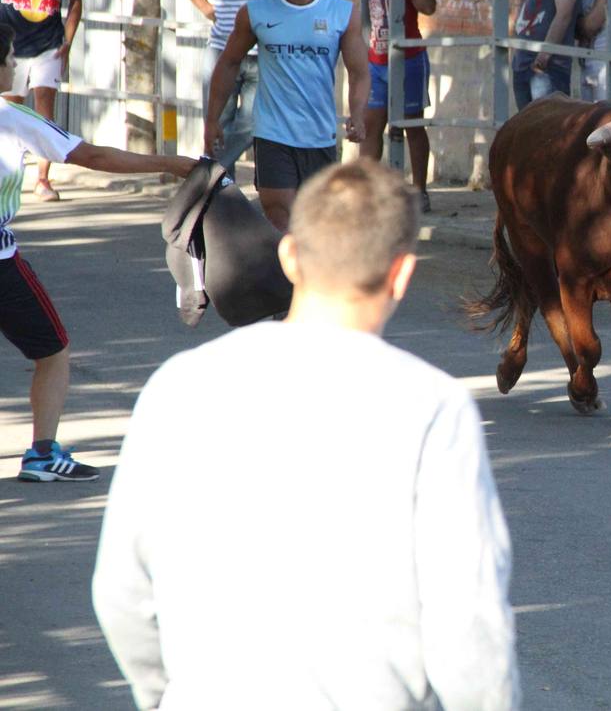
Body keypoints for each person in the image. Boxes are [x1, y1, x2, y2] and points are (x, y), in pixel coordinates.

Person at [92, 159, 517, 708]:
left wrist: (167, 696)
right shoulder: (432, 405)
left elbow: (120, 591)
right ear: (401, 274)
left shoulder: (178, 385)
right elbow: (469, 625)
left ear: (290, 255)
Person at [0, 22, 196, 482]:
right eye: (7, 58)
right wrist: (170, 163)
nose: (13, 65)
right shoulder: (11, 118)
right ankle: (43, 454)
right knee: (53, 349)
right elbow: (96, 158)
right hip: (2, 263)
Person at [205, 0, 369, 231]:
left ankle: (308, 277)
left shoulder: (342, 13)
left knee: (318, 225)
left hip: (320, 136)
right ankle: (287, 278)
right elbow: (228, 63)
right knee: (282, 219)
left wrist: (357, 113)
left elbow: (359, 71)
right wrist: (212, 119)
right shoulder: (255, 12)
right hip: (273, 135)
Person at [325, 0, 438, 212]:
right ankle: (367, 192)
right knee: (372, 126)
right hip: (375, 63)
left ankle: (419, 191)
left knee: (412, 125)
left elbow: (428, 6)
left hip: (408, 60)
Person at [172, 0, 280, 179]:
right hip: (222, 51)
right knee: (219, 121)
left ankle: (210, 172)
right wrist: (205, 6)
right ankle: (219, 189)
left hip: (262, 56)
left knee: (254, 122)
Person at [0, 0, 85, 202]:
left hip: (49, 45)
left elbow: (76, 1)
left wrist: (68, 39)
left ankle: (43, 179)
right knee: (11, 110)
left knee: (44, 110)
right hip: (12, 47)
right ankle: (11, 175)